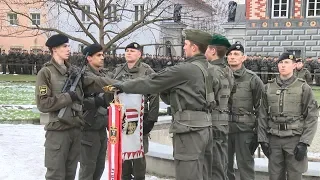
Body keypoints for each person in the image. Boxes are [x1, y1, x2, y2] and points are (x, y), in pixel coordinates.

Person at [112, 30, 219, 180]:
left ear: (194, 48)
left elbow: (151, 82)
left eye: (186, 44)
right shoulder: (209, 69)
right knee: (203, 174)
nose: (184, 47)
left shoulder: (185, 69)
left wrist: (122, 86)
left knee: (187, 175)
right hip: (205, 127)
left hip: (189, 130)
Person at [35, 34, 115, 180]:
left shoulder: (74, 72)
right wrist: (68, 97)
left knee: (70, 175)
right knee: (56, 175)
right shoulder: (46, 73)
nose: (68, 49)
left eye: (68, 46)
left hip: (76, 129)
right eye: (64, 46)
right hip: (58, 132)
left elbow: (95, 81)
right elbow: (43, 104)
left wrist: (117, 85)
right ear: (54, 49)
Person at [258, 52, 319, 180]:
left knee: (295, 176)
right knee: (274, 176)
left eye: (286, 63)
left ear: (294, 65)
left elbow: (312, 117)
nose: (283, 66)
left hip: (294, 139)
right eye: (280, 63)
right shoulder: (268, 87)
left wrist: (304, 142)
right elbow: (262, 115)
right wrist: (262, 139)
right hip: (274, 139)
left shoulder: (303, 87)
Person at [111, 42, 159, 180]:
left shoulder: (147, 71)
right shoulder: (118, 70)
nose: (128, 53)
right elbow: (111, 92)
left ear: (140, 54)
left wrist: (151, 119)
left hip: (140, 120)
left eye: (132, 50)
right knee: (124, 157)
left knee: (138, 158)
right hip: (122, 120)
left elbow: (155, 94)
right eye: (127, 51)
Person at [226, 43, 264, 180]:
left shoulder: (253, 79)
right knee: (224, 167)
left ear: (243, 58)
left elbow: (262, 108)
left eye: (236, 54)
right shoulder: (219, 77)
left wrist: (258, 134)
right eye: (230, 54)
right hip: (224, 129)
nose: (232, 57)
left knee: (246, 168)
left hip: (245, 130)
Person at [79, 44, 111, 180]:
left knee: (99, 168)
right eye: (99, 55)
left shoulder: (103, 74)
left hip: (102, 128)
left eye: (102, 55)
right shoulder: (82, 76)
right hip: (88, 129)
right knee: (88, 169)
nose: (102, 57)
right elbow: (78, 100)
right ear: (89, 58)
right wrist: (97, 101)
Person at [205, 34, 233, 180]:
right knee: (221, 162)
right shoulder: (227, 70)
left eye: (207, 49)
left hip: (213, 123)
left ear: (213, 51)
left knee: (214, 166)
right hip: (223, 121)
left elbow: (208, 100)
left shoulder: (210, 71)